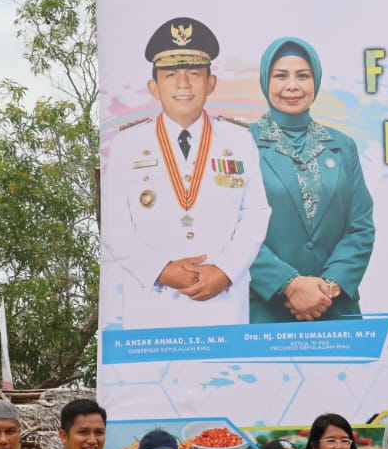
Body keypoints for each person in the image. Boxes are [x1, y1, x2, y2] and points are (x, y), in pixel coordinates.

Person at [104, 17, 269, 326]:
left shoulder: (239, 139)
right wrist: (161, 271)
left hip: (222, 304)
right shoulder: (127, 144)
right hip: (150, 307)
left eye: (194, 73)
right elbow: (115, 227)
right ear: (153, 87)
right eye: (171, 75)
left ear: (211, 83)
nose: (183, 84)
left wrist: (225, 271)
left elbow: (256, 214)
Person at [248, 37, 376, 323]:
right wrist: (289, 285)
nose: (292, 85)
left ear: (315, 81)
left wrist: (327, 289)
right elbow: (230, 229)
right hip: (266, 310)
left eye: (303, 76)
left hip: (334, 309)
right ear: (265, 81)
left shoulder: (342, 145)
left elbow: (360, 226)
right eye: (281, 76)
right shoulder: (240, 144)